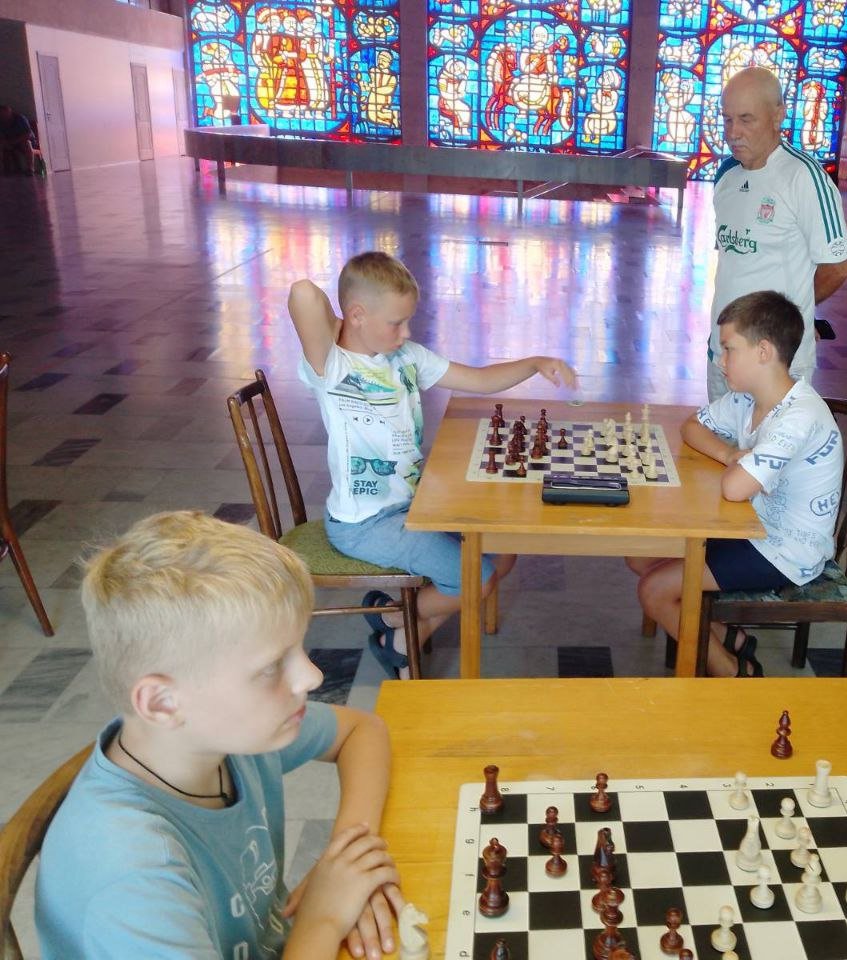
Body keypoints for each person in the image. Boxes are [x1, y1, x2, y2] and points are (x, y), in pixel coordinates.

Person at [36, 511, 404, 960]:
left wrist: (347, 856)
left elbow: (362, 730)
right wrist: (324, 917)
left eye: (299, 648)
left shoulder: (216, 735)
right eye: (271, 666)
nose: (312, 675)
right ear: (162, 703)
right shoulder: (131, 877)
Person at [289, 251, 577, 677]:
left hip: (412, 505)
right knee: (478, 578)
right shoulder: (332, 367)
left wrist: (535, 363)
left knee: (502, 550)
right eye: (396, 323)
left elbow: (479, 380)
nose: (406, 333)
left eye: (408, 321)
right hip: (365, 523)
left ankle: (402, 625)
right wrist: (344, 325)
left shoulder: (405, 357)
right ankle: (398, 623)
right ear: (357, 315)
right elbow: (303, 294)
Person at [627, 290, 843, 677]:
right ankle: (730, 637)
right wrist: (728, 455)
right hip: (750, 528)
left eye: (728, 349)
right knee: (638, 553)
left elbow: (734, 489)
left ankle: (734, 674)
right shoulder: (747, 398)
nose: (720, 360)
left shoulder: (798, 416)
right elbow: (692, 427)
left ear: (763, 352)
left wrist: (735, 471)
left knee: (654, 590)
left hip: (786, 550)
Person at [707, 67, 847, 401]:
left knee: (770, 438)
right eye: (727, 119)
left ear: (778, 116)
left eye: (746, 119)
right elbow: (734, 264)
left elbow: (839, 266)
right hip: (722, 355)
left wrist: (792, 314)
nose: (733, 133)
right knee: (720, 436)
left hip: (775, 364)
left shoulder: (804, 177)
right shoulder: (726, 175)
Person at [0, 104, 36, 176]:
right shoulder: (1, 122)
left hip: (24, 141)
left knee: (27, 143)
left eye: (5, 114)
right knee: (3, 146)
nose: (4, 116)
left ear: (10, 112)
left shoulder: (20, 119)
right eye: (2, 115)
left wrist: (14, 142)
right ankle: (6, 169)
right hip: (10, 142)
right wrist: (5, 143)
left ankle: (30, 169)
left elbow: (28, 134)